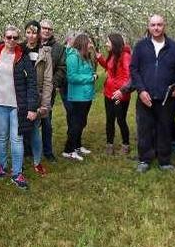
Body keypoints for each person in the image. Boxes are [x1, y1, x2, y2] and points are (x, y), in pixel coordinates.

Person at [115, 15, 175, 172]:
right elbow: (134, 70)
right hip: (145, 97)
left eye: (159, 25)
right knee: (144, 129)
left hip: (166, 98)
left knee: (165, 128)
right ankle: (145, 160)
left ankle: (165, 161)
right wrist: (141, 90)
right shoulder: (141, 47)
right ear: (148, 27)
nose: (156, 28)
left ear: (164, 26)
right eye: (153, 25)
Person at [0, 25, 38, 189]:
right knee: (2, 137)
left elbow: (32, 82)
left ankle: (17, 173)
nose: (11, 40)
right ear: (3, 38)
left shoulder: (22, 57)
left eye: (15, 38)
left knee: (17, 138)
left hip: (17, 105)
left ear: (18, 40)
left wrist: (32, 107)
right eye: (8, 37)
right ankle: (2, 167)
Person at [22, 20, 54, 176]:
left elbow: (48, 80)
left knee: (35, 130)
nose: (31, 35)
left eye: (34, 32)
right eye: (28, 32)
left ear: (39, 34)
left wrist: (45, 104)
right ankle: (18, 161)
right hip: (20, 94)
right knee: (18, 130)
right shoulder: (19, 50)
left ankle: (37, 161)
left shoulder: (45, 53)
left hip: (36, 96)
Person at [96, 33, 132, 155]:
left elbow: (128, 76)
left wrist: (121, 91)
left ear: (114, 43)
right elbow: (109, 67)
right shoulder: (113, 55)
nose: (106, 44)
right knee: (109, 120)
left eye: (108, 42)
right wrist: (100, 58)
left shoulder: (125, 56)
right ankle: (109, 144)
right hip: (108, 94)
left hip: (120, 96)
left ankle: (125, 144)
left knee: (121, 120)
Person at [62, 33, 97, 161]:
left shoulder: (85, 56)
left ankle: (77, 146)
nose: (91, 45)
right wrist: (90, 78)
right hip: (77, 97)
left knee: (81, 123)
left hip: (86, 96)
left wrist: (92, 74)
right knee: (76, 124)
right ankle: (68, 150)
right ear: (82, 43)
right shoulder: (73, 57)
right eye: (88, 42)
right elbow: (71, 77)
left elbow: (89, 70)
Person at [38, 19, 66, 162]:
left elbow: (62, 68)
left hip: (49, 91)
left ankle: (48, 152)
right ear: (39, 29)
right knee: (30, 120)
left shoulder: (59, 48)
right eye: (44, 28)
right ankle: (29, 150)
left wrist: (53, 83)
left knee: (47, 121)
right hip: (33, 89)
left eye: (49, 29)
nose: (46, 31)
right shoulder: (32, 45)